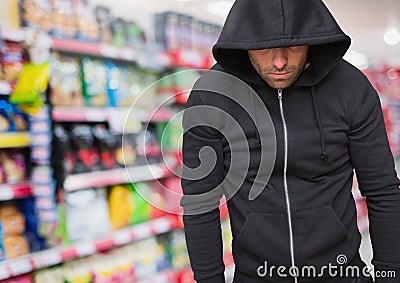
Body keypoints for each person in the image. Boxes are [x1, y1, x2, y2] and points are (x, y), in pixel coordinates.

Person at [180, 0, 400, 282]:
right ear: (244, 42)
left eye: (293, 47)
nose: (280, 62)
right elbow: (201, 201)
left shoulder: (352, 89)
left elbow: (383, 190)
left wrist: (390, 275)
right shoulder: (213, 96)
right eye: (265, 47)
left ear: (312, 41)